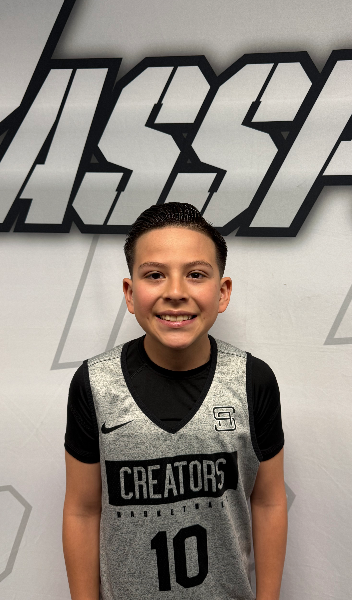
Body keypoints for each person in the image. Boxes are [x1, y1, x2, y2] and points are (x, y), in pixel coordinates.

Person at [63, 202, 287, 600]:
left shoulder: (253, 381)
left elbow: (269, 502)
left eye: (196, 274)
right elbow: (82, 510)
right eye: (155, 275)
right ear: (131, 293)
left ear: (222, 292)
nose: (176, 292)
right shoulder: (95, 384)